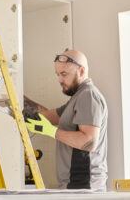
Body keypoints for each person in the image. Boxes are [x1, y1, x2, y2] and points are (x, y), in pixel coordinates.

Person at [24, 49, 108, 191]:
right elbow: (47, 116)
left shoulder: (88, 96)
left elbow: (89, 142)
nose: (59, 80)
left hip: (84, 185)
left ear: (81, 71)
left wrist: (52, 132)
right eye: (57, 74)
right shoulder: (77, 97)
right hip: (75, 185)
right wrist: (18, 99)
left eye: (64, 74)